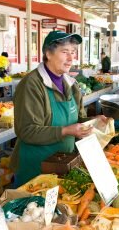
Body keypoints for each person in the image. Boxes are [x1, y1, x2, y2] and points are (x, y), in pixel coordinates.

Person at [11, 30, 106, 187]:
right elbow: (26, 131)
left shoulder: (71, 84)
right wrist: (66, 131)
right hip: (35, 168)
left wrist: (93, 121)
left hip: (63, 163)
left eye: (73, 52)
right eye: (65, 52)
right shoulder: (32, 85)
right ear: (48, 53)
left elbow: (78, 119)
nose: (70, 58)